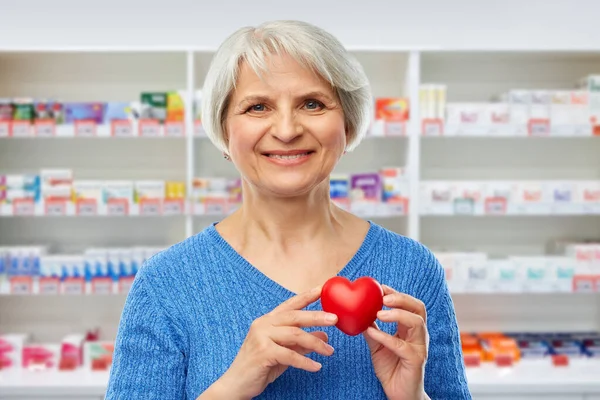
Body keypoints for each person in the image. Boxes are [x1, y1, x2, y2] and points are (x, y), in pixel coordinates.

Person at [105, 20, 471, 400]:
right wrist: (232, 386)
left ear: (347, 123)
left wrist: (411, 398)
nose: (286, 129)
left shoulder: (412, 269)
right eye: (257, 107)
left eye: (312, 104)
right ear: (224, 130)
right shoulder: (166, 284)